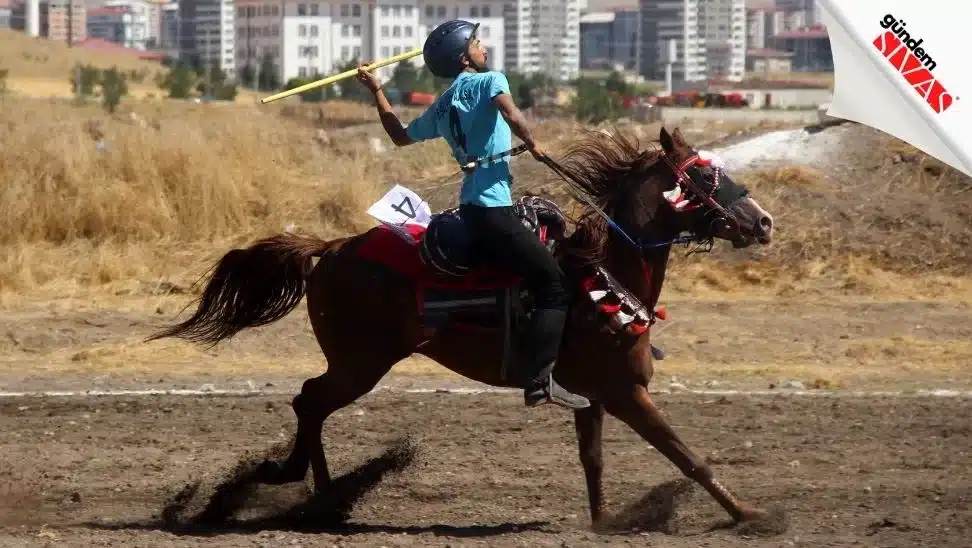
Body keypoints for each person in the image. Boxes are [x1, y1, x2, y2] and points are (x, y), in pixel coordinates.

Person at [355, 20, 590, 410]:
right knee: (555, 286)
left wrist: (377, 90)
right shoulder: (490, 80)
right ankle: (539, 380)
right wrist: (534, 143)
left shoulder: (444, 104)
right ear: (465, 56)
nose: (485, 49)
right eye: (478, 43)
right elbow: (511, 114)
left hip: (471, 210)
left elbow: (399, 135)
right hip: (493, 211)